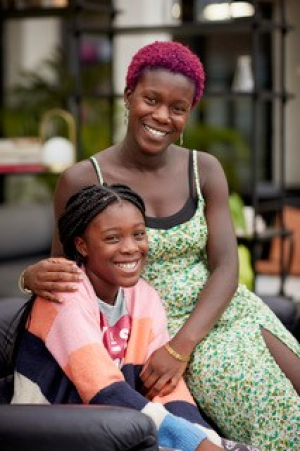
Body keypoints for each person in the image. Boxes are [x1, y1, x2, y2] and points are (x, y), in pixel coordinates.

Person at [20, 41, 300, 450]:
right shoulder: (82, 179)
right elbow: (66, 273)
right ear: (129, 95)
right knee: (275, 407)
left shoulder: (203, 168)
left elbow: (224, 267)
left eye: (178, 107)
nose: (162, 116)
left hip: (222, 311)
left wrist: (180, 347)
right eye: (151, 99)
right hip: (152, 328)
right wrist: (30, 277)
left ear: (189, 113)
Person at [10, 183, 258, 451]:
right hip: (54, 429)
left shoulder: (144, 296)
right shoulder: (64, 294)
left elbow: (163, 388)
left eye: (138, 234)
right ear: (82, 246)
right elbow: (102, 389)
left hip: (117, 425)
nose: (130, 248)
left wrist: (205, 438)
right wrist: (194, 444)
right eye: (113, 238)